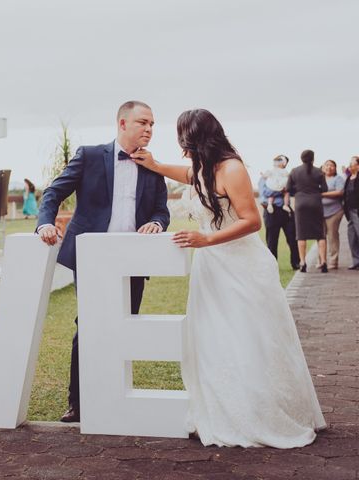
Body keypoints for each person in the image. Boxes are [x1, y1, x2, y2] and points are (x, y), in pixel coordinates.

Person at [132, 109, 325, 448]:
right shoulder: (205, 169)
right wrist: (156, 165)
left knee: (249, 337)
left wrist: (205, 239)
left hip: (242, 267)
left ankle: (258, 413)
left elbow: (252, 221)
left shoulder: (232, 169)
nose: (181, 144)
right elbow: (188, 173)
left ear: (196, 137)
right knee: (213, 337)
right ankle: (222, 407)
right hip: (212, 268)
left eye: (184, 136)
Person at [37, 100, 170, 423]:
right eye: (143, 122)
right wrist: (45, 223)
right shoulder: (90, 155)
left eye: (152, 124)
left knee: (127, 327)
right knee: (89, 327)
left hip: (134, 259)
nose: (149, 129)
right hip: (94, 257)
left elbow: (161, 210)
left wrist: (158, 223)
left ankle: (115, 397)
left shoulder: (154, 166)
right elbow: (53, 193)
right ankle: (78, 403)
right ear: (122, 124)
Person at [286, 150, 328, 273]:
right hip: (316, 203)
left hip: (301, 204)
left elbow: (288, 189)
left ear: (301, 158)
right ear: (313, 158)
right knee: (320, 234)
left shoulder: (294, 171)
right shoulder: (319, 172)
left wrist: (299, 192)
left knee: (301, 234)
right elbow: (324, 189)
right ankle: (323, 262)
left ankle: (303, 262)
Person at [258, 155, 300, 270]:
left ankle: (296, 263)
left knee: (292, 238)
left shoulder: (288, 176)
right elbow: (265, 192)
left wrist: (282, 190)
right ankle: (273, 266)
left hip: (286, 210)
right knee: (272, 240)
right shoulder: (266, 176)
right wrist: (280, 190)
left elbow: (291, 191)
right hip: (271, 210)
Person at [320, 160, 346, 269]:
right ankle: (322, 261)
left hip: (334, 212)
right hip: (320, 212)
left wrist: (321, 194)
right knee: (321, 237)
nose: (329, 167)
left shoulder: (338, 179)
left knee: (332, 236)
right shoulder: (319, 179)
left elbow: (340, 192)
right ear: (323, 167)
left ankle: (333, 261)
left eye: (332, 166)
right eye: (327, 165)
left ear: (335, 168)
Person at [344, 155, 359, 270]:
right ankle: (356, 261)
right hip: (350, 211)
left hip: (357, 211)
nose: (350, 165)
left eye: (352, 163)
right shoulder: (349, 178)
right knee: (352, 236)